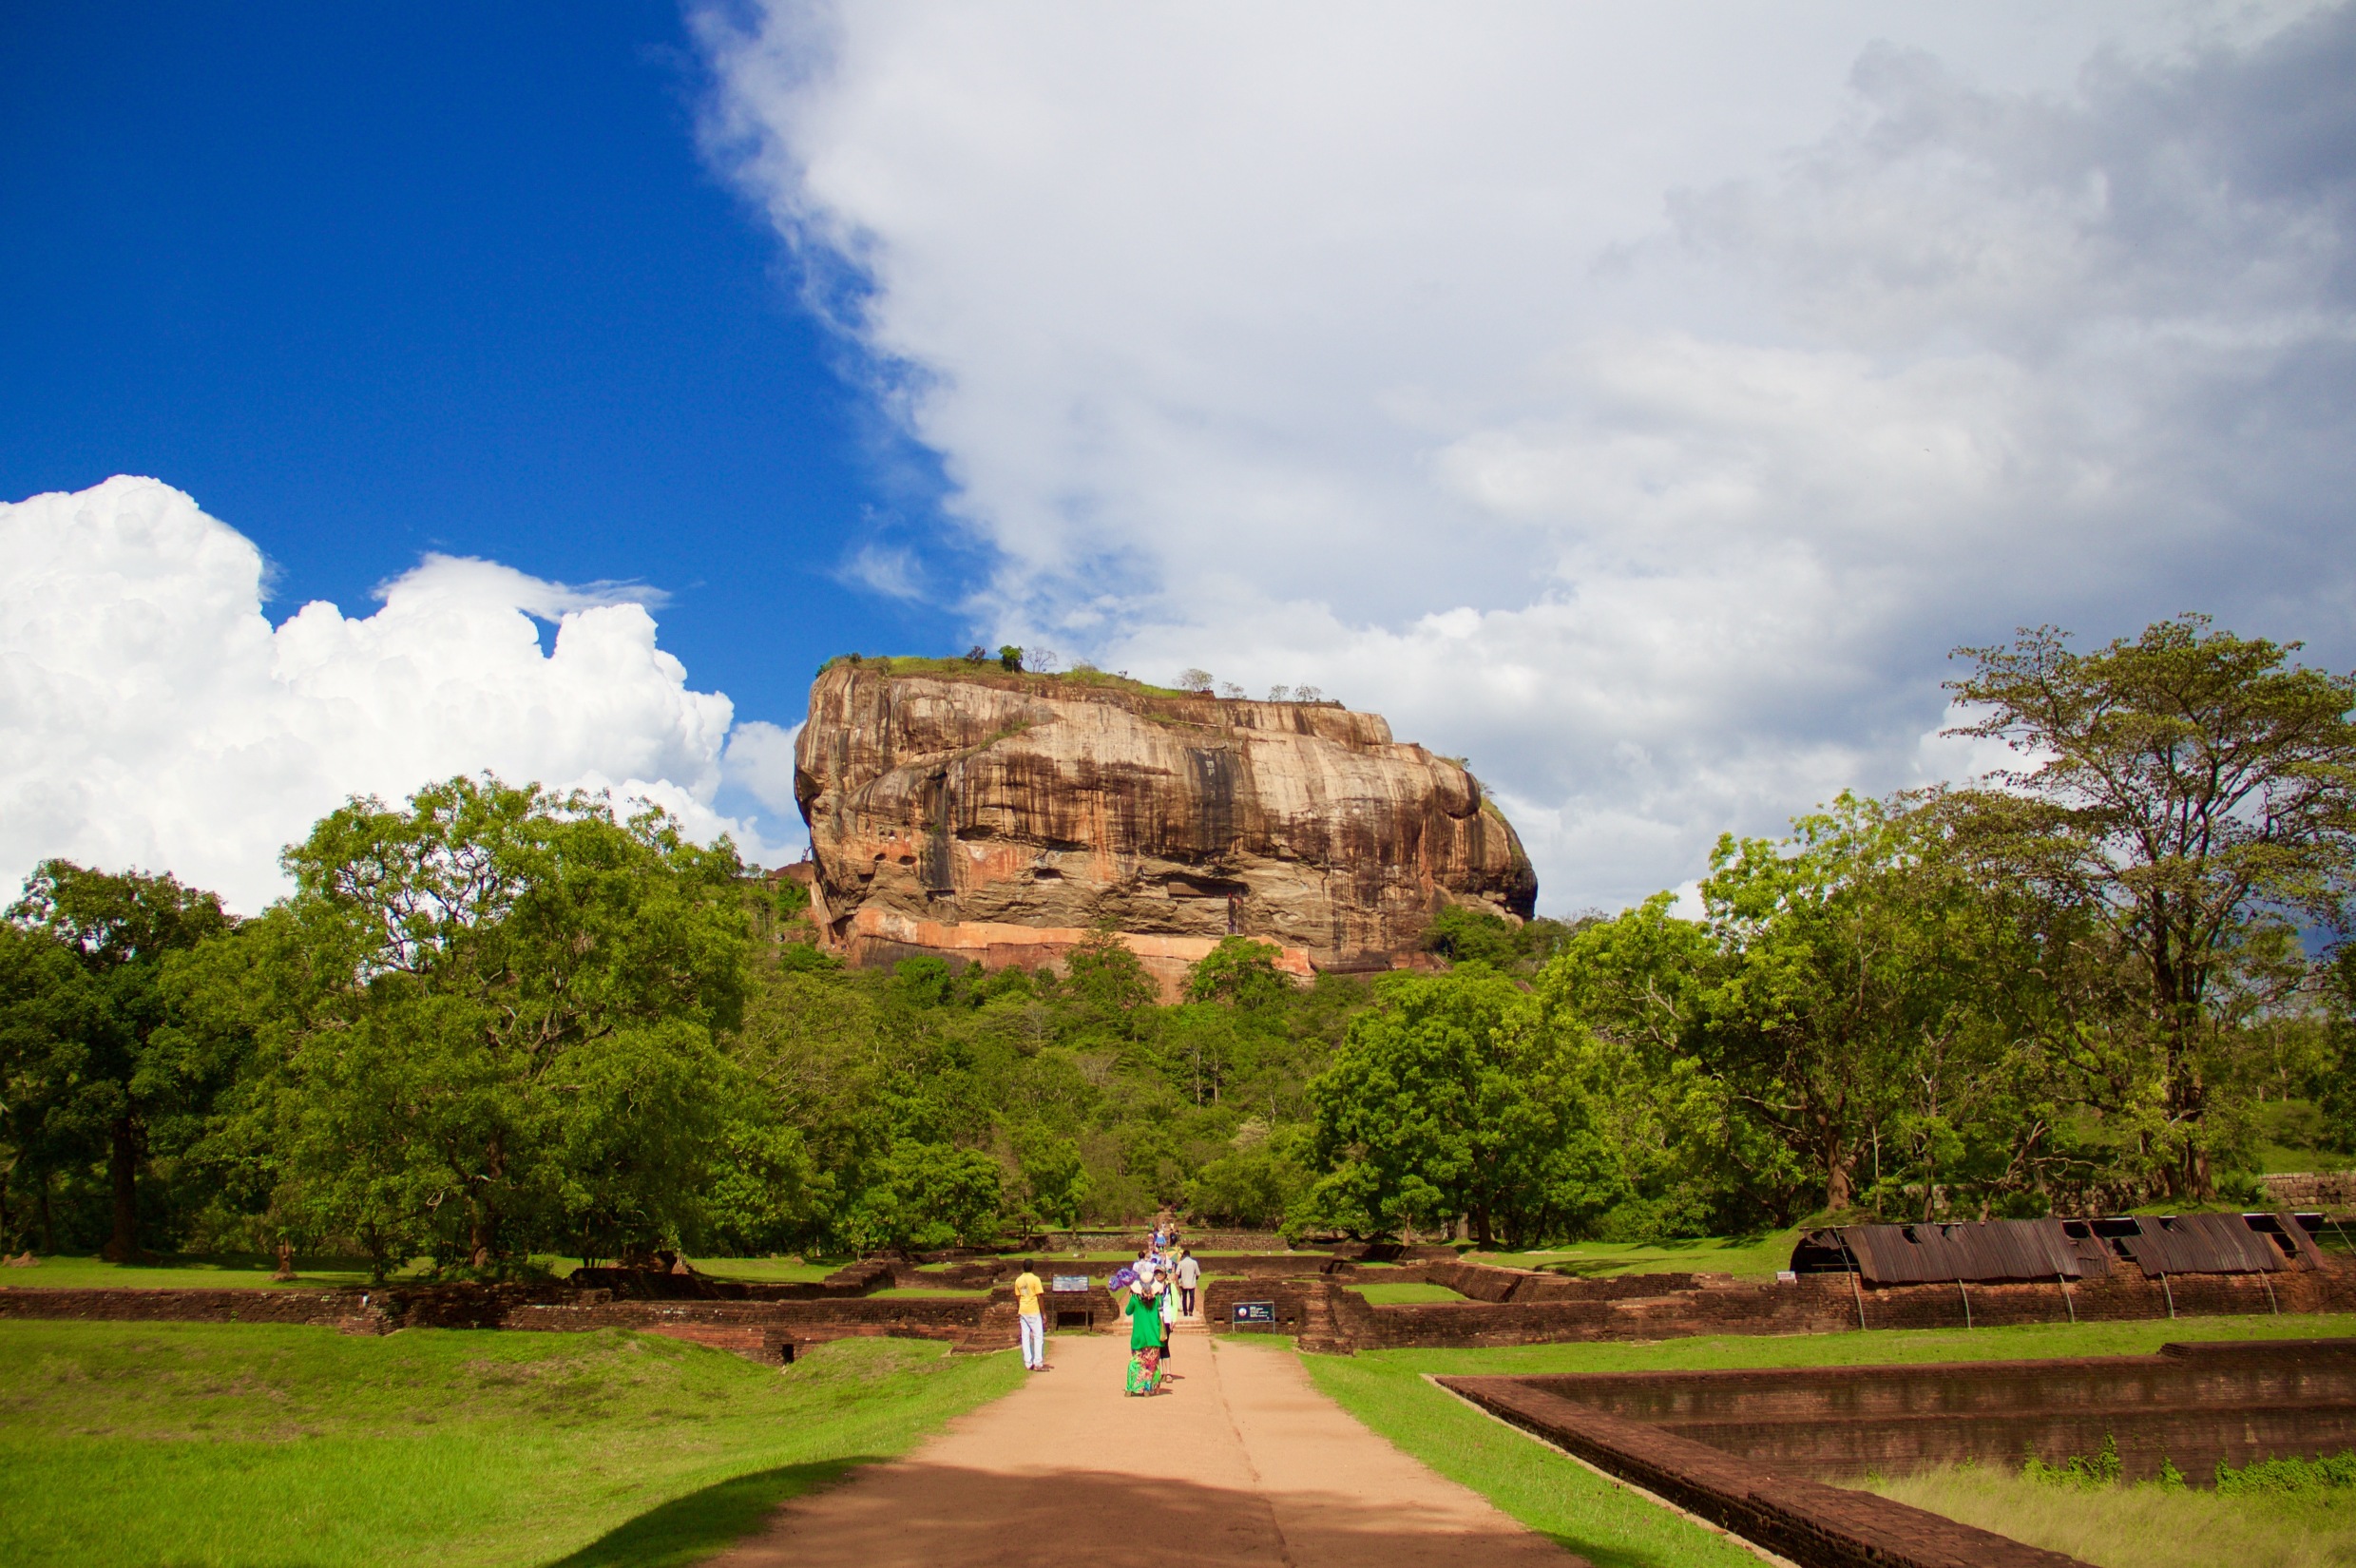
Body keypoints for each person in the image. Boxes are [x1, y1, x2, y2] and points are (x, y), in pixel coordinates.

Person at [1124, 1277, 1165, 1395]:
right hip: (1154, 1336)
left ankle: (1130, 1388)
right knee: (1151, 1365)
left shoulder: (1135, 1300)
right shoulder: (1158, 1299)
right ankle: (1147, 1389)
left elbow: (1128, 1311)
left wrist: (1132, 1296)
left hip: (1139, 1337)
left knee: (1136, 1362)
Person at [1013, 1260, 1047, 1372]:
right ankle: (1038, 1363)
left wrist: (1021, 1308)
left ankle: (1028, 1363)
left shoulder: (1018, 1280)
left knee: (1025, 1336)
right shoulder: (1035, 1279)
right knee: (1038, 1336)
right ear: (1033, 1267)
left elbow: (1018, 1297)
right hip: (1033, 1310)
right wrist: (1043, 1313)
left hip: (1023, 1310)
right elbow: (1040, 1297)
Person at [1175, 1247, 1200, 1317]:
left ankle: (1185, 1312)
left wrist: (1177, 1283)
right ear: (1189, 1255)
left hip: (1184, 1283)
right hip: (1192, 1283)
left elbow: (1177, 1274)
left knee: (1184, 1298)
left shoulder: (1181, 1263)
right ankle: (1190, 1311)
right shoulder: (1194, 1262)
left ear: (1184, 1255)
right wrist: (1196, 1278)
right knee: (1192, 1297)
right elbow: (1198, 1274)